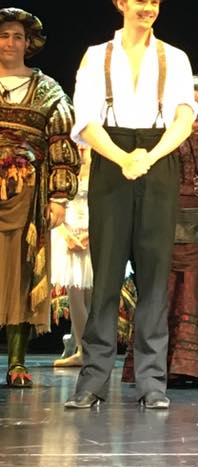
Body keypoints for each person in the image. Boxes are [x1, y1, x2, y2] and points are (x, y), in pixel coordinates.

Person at [65, 0, 196, 410]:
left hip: (158, 160)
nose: (148, 9)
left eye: (154, 2)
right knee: (105, 275)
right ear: (121, 3)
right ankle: (92, 381)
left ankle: (152, 383)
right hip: (112, 157)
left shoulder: (175, 58)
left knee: (154, 276)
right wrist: (123, 159)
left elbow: (183, 117)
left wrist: (150, 157)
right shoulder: (96, 55)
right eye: (140, 0)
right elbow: (85, 120)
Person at [123, 76, 198, 386]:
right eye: (193, 104)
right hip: (169, 224)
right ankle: (161, 364)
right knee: (166, 293)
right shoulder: (167, 139)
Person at [0, 8, 79, 386]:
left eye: (17, 36)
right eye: (4, 35)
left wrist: (59, 197)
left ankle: (17, 362)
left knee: (20, 273)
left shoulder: (47, 89)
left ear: (28, 43)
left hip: (27, 198)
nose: (10, 43)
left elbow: (62, 143)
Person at [51, 145, 93, 368]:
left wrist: (90, 234)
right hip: (68, 235)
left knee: (91, 294)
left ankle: (87, 347)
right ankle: (83, 349)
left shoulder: (99, 167)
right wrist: (65, 235)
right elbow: (52, 205)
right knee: (75, 292)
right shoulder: (62, 170)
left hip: (92, 234)